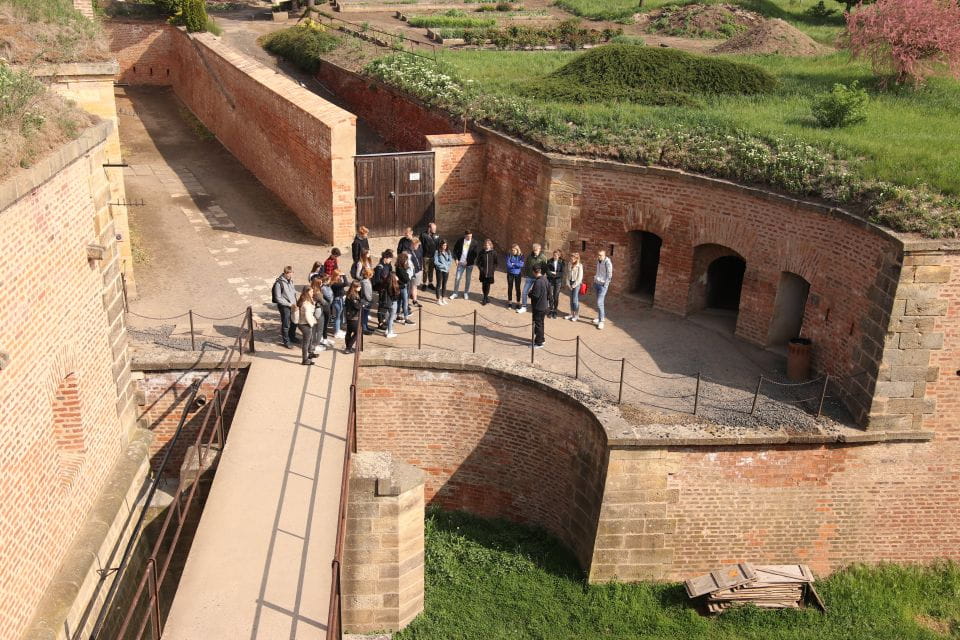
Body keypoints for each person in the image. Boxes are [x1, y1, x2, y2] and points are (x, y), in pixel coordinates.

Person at [272, 266, 298, 348]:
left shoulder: (291, 281)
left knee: (294, 321)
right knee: (286, 324)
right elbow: (278, 298)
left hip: (293, 305)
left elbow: (293, 293)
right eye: (290, 273)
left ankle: (292, 337)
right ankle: (286, 341)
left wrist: (295, 303)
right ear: (286, 273)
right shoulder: (278, 283)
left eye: (292, 273)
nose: (291, 275)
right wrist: (290, 304)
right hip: (284, 306)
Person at [517, 244, 548, 314]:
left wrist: (541, 276)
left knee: (537, 294)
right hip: (530, 277)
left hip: (538, 279)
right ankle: (524, 306)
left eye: (536, 250)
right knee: (524, 292)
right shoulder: (530, 256)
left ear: (539, 250)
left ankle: (536, 307)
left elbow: (545, 268)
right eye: (534, 250)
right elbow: (527, 265)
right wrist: (526, 274)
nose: (535, 251)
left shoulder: (543, 257)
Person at [450, 230, 479, 300]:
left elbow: (475, 254)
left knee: (468, 279)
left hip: (469, 264)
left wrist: (468, 261)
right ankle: (455, 293)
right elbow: (454, 250)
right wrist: (456, 259)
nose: (469, 238)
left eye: (471, 236)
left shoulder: (475, 243)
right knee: (457, 278)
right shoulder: (460, 241)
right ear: (465, 236)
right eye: (468, 236)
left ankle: (466, 293)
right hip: (460, 263)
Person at [528, 265, 550, 348]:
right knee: (541, 324)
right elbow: (549, 292)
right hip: (544, 306)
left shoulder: (538, 282)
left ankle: (539, 342)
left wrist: (530, 293)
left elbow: (535, 295)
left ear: (534, 272)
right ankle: (541, 339)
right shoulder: (545, 279)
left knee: (538, 325)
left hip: (538, 307)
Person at [296, 286, 317, 365]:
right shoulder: (306, 304)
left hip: (304, 323)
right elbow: (307, 316)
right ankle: (305, 360)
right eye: (311, 292)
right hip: (305, 324)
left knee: (310, 339)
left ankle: (310, 353)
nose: (313, 293)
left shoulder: (305, 300)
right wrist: (312, 324)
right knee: (306, 342)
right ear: (307, 292)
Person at [373, 249, 394, 329]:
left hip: (386, 288)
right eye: (390, 259)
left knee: (384, 306)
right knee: (381, 306)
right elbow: (377, 280)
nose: (390, 260)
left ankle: (383, 320)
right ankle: (380, 323)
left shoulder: (387, 265)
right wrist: (384, 283)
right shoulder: (380, 267)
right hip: (381, 289)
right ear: (385, 258)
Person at [593, 249, 614, 330]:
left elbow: (609, 275)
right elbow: (598, 272)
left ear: (604, 255)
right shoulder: (598, 261)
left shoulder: (608, 262)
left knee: (599, 302)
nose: (599, 256)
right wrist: (595, 280)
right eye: (598, 255)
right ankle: (600, 317)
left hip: (603, 286)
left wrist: (605, 285)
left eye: (601, 255)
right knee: (599, 303)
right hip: (597, 283)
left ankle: (601, 321)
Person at [475, 238, 498, 306]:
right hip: (483, 273)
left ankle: (485, 298)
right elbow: (478, 262)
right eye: (486, 245)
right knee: (484, 285)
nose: (487, 246)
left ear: (490, 245)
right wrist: (481, 269)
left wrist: (492, 269)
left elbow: (496, 263)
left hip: (490, 273)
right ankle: (485, 297)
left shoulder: (494, 252)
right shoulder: (482, 252)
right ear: (484, 245)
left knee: (488, 285)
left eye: (488, 245)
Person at [396, 252, 415, 325]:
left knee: (400, 301)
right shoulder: (400, 269)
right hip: (403, 287)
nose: (407, 261)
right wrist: (407, 274)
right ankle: (406, 318)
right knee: (405, 302)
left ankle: (398, 316)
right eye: (406, 260)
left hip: (402, 286)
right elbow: (406, 278)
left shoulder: (399, 267)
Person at [545, 249, 565, 319]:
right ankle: (551, 309)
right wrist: (552, 274)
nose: (555, 257)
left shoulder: (562, 262)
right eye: (554, 255)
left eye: (556, 255)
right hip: (550, 280)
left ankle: (555, 310)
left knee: (556, 296)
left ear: (559, 256)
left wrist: (555, 274)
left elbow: (562, 273)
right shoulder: (549, 261)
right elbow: (547, 271)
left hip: (558, 281)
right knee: (550, 295)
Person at [343, 281, 363, 354]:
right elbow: (357, 306)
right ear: (355, 287)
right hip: (353, 317)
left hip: (349, 316)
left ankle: (348, 347)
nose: (360, 287)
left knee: (349, 332)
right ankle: (348, 348)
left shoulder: (351, 293)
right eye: (359, 286)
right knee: (357, 332)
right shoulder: (353, 296)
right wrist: (362, 304)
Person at [419, 222, 440, 291]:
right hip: (426, 256)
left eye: (435, 228)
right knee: (425, 270)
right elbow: (420, 245)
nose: (435, 230)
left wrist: (437, 255)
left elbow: (438, 246)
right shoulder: (423, 235)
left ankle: (430, 283)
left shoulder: (437, 235)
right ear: (429, 228)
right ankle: (424, 283)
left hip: (433, 256)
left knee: (431, 270)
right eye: (433, 228)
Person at [505, 244, 524, 310]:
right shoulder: (509, 255)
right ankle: (510, 302)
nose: (513, 251)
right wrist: (515, 265)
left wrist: (514, 263)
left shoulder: (521, 255)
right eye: (512, 250)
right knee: (510, 288)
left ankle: (518, 303)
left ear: (517, 250)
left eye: (514, 250)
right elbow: (508, 264)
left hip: (518, 274)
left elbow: (521, 264)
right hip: (510, 273)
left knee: (517, 288)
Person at [330, 269, 348, 339]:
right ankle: (336, 332)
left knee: (340, 317)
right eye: (339, 275)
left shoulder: (337, 282)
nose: (340, 277)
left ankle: (338, 330)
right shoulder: (334, 284)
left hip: (340, 300)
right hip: (337, 301)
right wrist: (344, 276)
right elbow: (346, 284)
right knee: (337, 317)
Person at [433, 239, 452, 305]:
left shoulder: (448, 252)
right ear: (441, 245)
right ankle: (438, 299)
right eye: (444, 245)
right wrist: (443, 266)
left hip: (446, 270)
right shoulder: (437, 252)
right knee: (439, 284)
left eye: (446, 245)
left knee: (444, 284)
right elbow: (435, 262)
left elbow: (450, 260)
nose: (445, 246)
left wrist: (447, 266)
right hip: (440, 270)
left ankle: (443, 298)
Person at [566, 252, 583, 322]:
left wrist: (574, 285)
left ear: (577, 259)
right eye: (571, 257)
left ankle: (576, 315)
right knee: (571, 299)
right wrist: (568, 284)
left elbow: (580, 277)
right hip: (570, 283)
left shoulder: (580, 266)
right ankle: (572, 314)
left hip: (576, 284)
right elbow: (567, 274)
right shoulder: (569, 264)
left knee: (575, 300)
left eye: (573, 258)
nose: (572, 259)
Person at [383, 273, 401, 338]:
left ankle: (388, 330)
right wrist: (398, 281)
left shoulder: (385, 283)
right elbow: (397, 296)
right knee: (391, 318)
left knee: (388, 317)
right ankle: (390, 332)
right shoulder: (394, 285)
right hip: (393, 303)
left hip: (386, 303)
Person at [360, 267, 375, 335]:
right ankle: (364, 328)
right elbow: (366, 293)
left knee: (366, 315)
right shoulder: (365, 282)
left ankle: (366, 326)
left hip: (367, 301)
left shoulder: (367, 280)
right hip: (365, 301)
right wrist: (370, 300)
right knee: (364, 315)